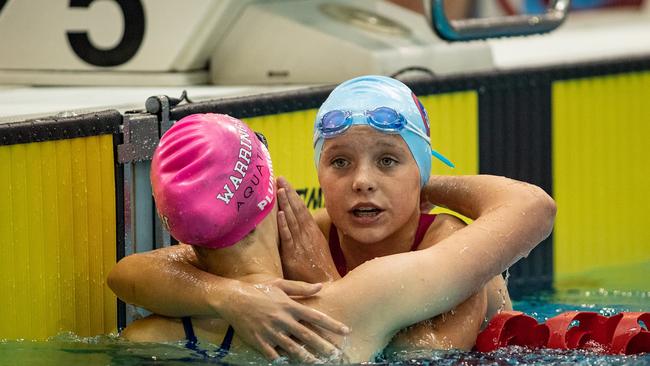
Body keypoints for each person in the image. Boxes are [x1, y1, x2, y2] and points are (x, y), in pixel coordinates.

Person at [116, 113, 555, 363]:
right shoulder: (357, 302)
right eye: (341, 162)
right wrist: (417, 183)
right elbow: (531, 207)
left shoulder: (151, 335)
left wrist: (229, 297)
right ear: (272, 191)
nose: (363, 181)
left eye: (387, 161)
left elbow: (125, 275)